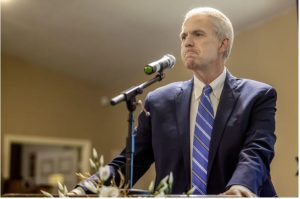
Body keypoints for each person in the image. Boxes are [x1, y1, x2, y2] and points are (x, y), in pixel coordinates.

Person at [71, 7, 277, 197]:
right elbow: (130, 162)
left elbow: (256, 151)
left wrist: (241, 187)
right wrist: (85, 190)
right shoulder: (159, 101)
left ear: (223, 43)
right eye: (183, 36)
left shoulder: (258, 95)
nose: (187, 42)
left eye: (198, 34)